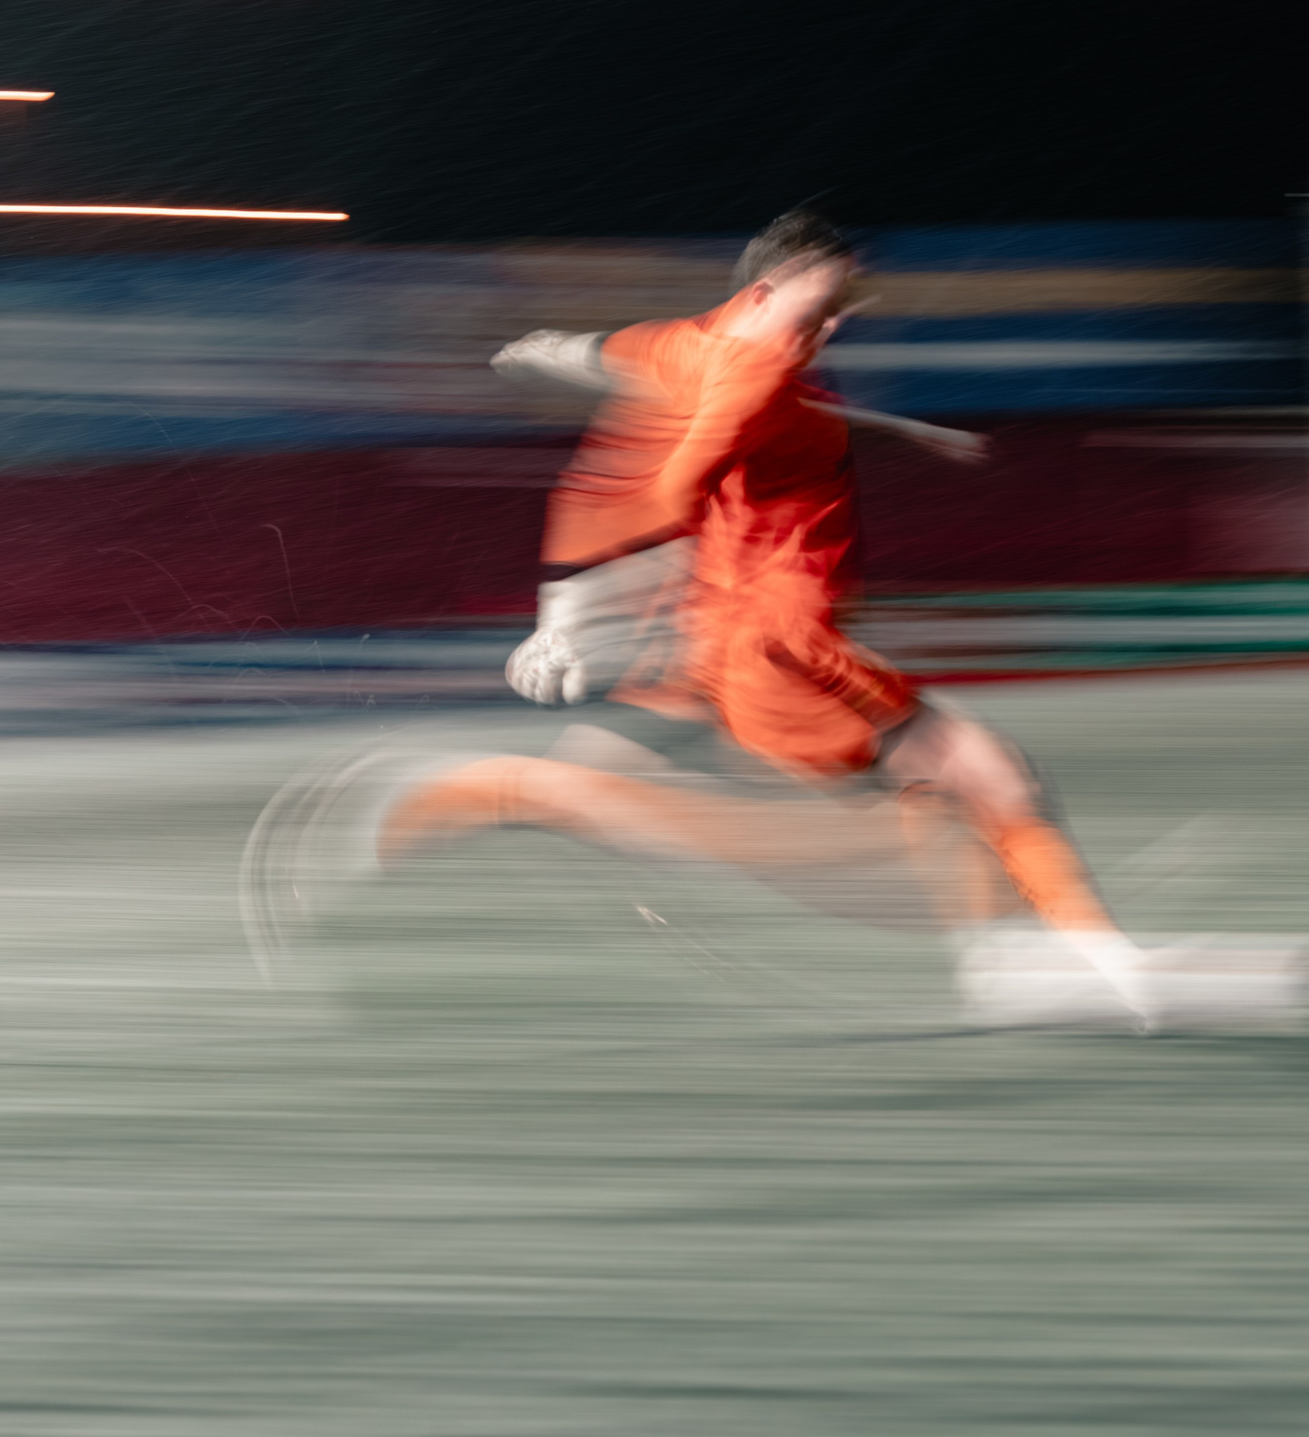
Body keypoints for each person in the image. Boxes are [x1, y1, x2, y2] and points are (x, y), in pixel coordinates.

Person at [254, 210, 1157, 1024]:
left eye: (844, 309)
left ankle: (1015, 956)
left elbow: (600, 353)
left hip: (714, 639)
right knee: (957, 788)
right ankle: (1094, 962)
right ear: (764, 295)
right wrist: (562, 613)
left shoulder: (688, 344)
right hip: (780, 646)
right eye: (819, 310)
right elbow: (662, 492)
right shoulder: (754, 376)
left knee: (926, 791)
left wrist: (541, 346)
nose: (833, 326)